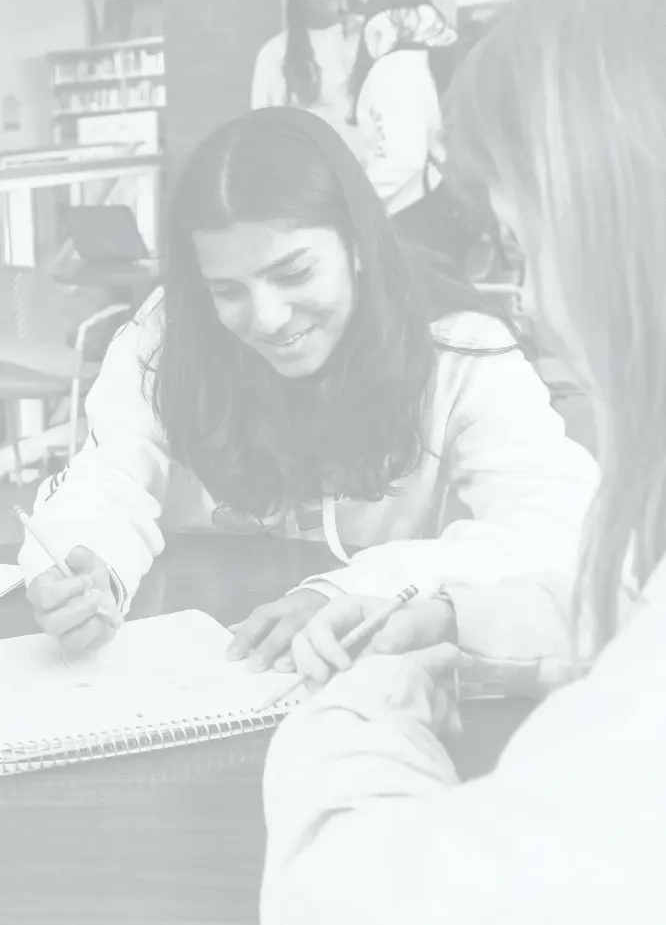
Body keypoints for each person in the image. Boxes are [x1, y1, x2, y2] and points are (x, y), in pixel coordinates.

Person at [260, 0, 666, 923]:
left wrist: (352, 711)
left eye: (528, 247)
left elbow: (341, 898)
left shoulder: (465, 346)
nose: (535, 302)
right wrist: (467, 621)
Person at [19, 107, 596, 676]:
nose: (267, 318)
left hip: (375, 669)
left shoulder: (458, 347)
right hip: (195, 666)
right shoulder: (168, 335)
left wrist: (352, 591)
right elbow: (109, 480)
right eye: (228, 290)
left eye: (294, 274)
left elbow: (558, 527)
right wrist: (91, 562)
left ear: (358, 244)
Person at [349, 0, 457, 218]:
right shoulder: (434, 57)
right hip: (438, 206)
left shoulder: (394, 67)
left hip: (406, 214)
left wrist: (350, 209)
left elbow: (401, 160)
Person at [251, 0, 363, 152]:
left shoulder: (371, 36)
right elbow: (262, 123)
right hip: (310, 167)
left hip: (371, 170)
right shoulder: (275, 52)